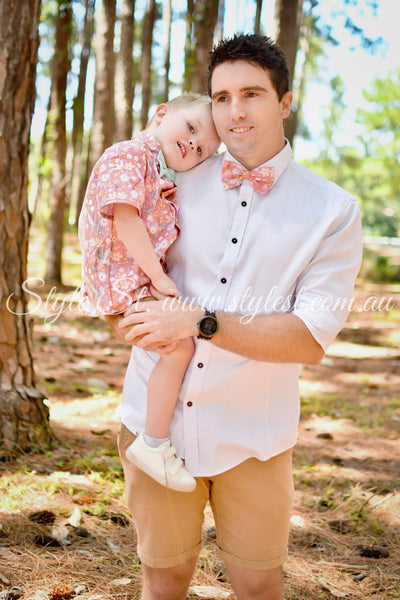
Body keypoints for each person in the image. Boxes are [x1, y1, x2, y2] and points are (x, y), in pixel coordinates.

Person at [109, 34, 363, 600]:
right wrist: (131, 317)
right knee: (164, 579)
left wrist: (199, 322)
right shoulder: (173, 179)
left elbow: (309, 339)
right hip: (156, 427)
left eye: (251, 94)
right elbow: (118, 265)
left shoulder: (332, 212)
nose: (234, 111)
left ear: (285, 102)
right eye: (220, 98)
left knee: (257, 585)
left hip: (255, 436)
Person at [79, 93, 220, 493]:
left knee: (180, 345)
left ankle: (157, 439)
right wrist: (158, 278)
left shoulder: (155, 171)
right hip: (124, 279)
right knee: (180, 348)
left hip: (128, 277)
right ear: (161, 114)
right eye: (191, 129)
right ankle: (153, 443)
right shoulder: (127, 154)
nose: (192, 145)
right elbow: (124, 217)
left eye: (201, 149)